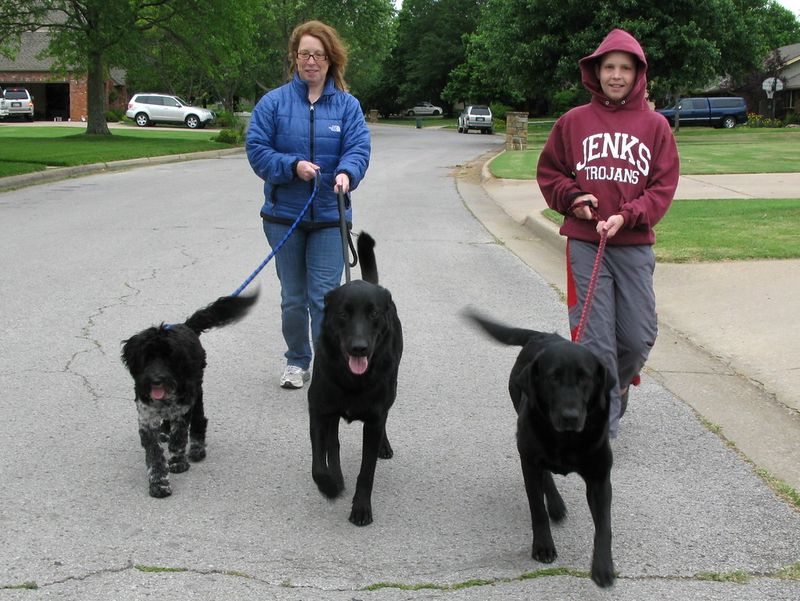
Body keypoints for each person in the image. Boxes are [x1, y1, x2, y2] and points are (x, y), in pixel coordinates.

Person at [536, 28, 680, 438]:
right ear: (596, 72)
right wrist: (574, 199)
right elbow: (550, 173)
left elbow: (662, 187)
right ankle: (602, 431)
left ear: (638, 74)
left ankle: (615, 387)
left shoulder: (655, 126)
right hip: (587, 244)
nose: (617, 75)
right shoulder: (573, 122)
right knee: (594, 340)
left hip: (633, 244)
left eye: (626, 68)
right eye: (609, 67)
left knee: (637, 338)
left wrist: (629, 215)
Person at [246, 20, 371, 389]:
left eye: (318, 55)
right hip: (284, 216)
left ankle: (329, 366)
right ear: (295, 58)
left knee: (324, 299)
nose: (311, 61)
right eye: (304, 54)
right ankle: (297, 361)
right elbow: (257, 150)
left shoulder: (347, 106)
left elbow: (358, 149)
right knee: (293, 298)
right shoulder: (273, 103)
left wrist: (347, 172)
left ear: (331, 59)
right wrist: (292, 166)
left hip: (330, 216)